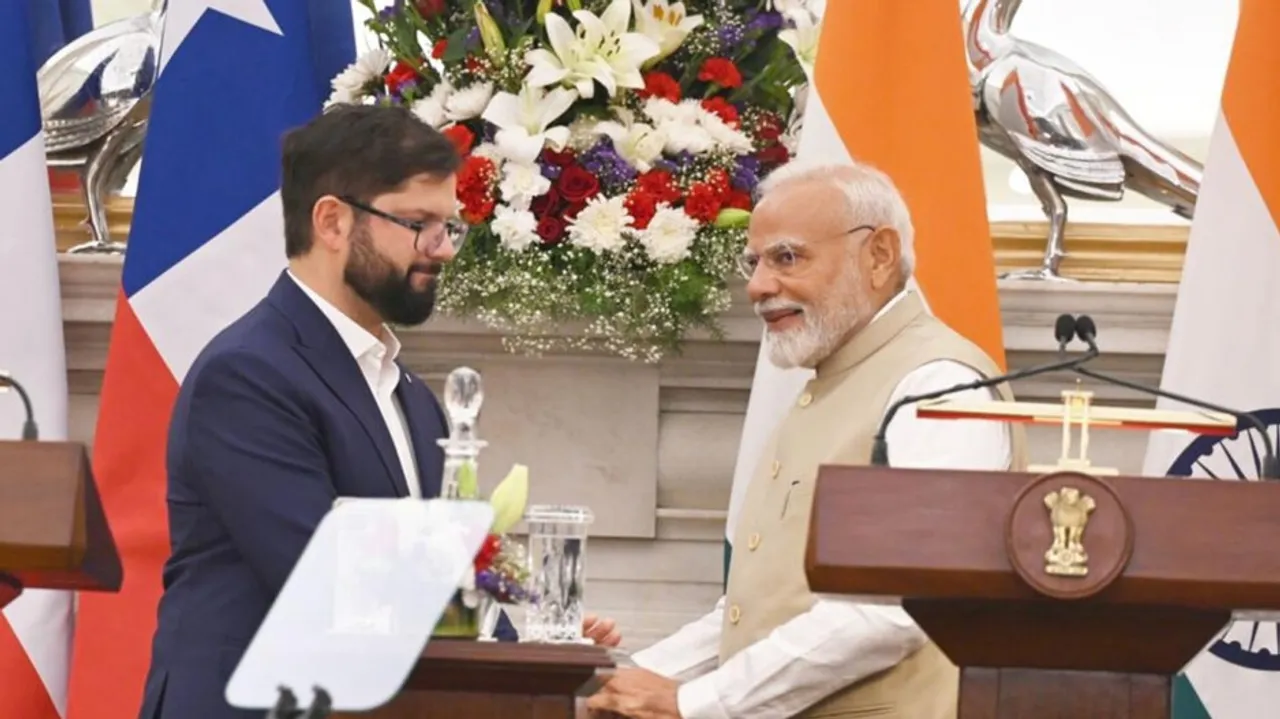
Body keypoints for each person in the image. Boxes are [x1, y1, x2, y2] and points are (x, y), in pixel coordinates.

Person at [585, 160, 1029, 719]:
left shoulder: (941, 384)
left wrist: (697, 703)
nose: (758, 286)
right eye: (754, 262)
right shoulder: (827, 380)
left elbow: (893, 607)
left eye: (787, 258)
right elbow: (762, 610)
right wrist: (623, 680)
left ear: (880, 255)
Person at [138, 104, 518, 719]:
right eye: (420, 223)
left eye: (450, 226)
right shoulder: (248, 376)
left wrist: (547, 666)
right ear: (333, 222)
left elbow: (441, 573)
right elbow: (328, 578)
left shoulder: (413, 398)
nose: (443, 249)